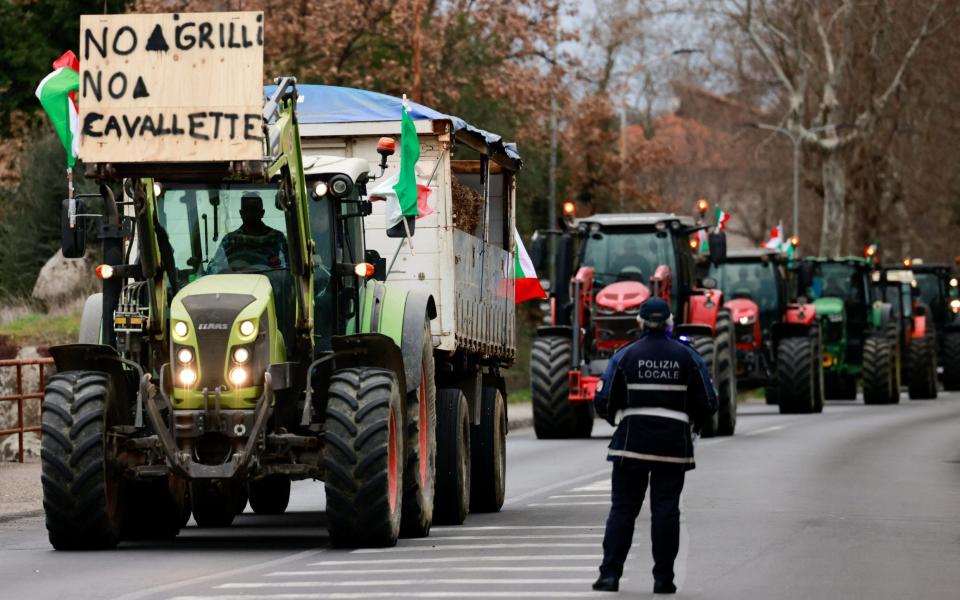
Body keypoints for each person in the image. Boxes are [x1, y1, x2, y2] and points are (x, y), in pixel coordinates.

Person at [592, 297, 718, 594]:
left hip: (631, 443)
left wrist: (616, 419)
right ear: (669, 321)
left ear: (640, 321)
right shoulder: (688, 357)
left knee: (623, 510)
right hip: (673, 446)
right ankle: (664, 579)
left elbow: (604, 399)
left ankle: (610, 576)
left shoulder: (625, 355)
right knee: (666, 511)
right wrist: (691, 424)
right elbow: (709, 402)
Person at [207, 193, 289, 273]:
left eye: (254, 210)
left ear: (262, 213)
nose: (250, 214)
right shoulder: (230, 240)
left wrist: (275, 266)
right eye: (246, 210)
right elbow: (213, 269)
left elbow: (288, 268)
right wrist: (230, 271)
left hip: (270, 283)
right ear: (241, 213)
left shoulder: (276, 237)